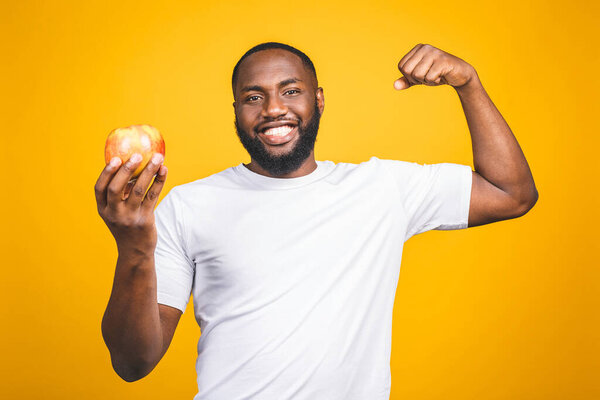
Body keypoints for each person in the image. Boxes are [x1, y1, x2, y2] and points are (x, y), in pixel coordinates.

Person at [95, 42, 538, 399]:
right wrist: (133, 246)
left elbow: (511, 193)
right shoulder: (187, 206)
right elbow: (134, 363)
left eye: (291, 91)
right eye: (254, 97)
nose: (272, 109)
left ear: (318, 100)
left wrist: (468, 83)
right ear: (235, 112)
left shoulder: (383, 188)